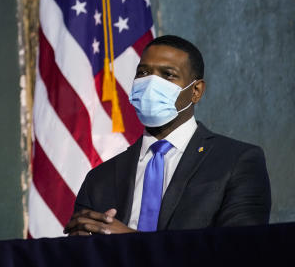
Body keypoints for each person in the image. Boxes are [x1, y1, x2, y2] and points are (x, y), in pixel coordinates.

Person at [65, 34, 271, 235]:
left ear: (196, 91)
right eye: (143, 73)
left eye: (168, 75)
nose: (151, 84)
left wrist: (130, 244)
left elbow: (240, 251)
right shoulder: (100, 179)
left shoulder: (237, 161)